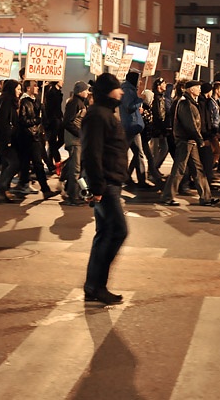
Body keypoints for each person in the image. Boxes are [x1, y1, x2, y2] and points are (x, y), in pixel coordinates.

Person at [82, 73, 129, 305]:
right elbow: (92, 153)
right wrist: (98, 186)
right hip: (106, 184)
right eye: (117, 88)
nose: (121, 92)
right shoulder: (98, 115)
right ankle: (97, 285)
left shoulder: (105, 113)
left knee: (104, 234)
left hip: (110, 182)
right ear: (108, 91)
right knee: (117, 232)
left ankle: (93, 286)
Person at [159, 80, 220, 207]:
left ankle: (206, 198)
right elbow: (190, 125)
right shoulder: (185, 103)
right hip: (185, 141)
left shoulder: (190, 102)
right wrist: (200, 140)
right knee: (179, 169)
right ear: (191, 89)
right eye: (197, 87)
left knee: (198, 170)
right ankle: (167, 196)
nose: (199, 89)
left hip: (190, 142)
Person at [15, 80, 58, 200]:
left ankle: (23, 184)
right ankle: (45, 189)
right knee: (38, 163)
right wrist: (35, 121)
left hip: (35, 136)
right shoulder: (24, 102)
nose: (37, 87)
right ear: (28, 88)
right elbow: (23, 121)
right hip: (28, 137)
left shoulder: (36, 101)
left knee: (26, 163)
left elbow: (42, 118)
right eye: (34, 86)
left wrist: (42, 109)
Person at [120, 71, 151, 189]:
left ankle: (134, 179)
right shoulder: (128, 90)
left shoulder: (129, 89)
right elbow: (129, 106)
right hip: (131, 126)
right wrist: (140, 100)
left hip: (133, 126)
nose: (140, 82)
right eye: (138, 79)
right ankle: (132, 179)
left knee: (137, 153)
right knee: (134, 153)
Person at [0, 79, 22, 202]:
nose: (20, 92)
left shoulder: (11, 101)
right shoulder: (6, 101)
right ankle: (1, 189)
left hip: (10, 138)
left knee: (6, 164)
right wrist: (8, 138)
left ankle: (4, 191)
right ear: (12, 89)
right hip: (5, 139)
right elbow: (2, 122)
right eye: (18, 89)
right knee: (15, 163)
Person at [61, 80, 90, 205]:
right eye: (86, 90)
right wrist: (80, 133)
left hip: (78, 140)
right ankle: (73, 197)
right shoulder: (74, 103)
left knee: (77, 167)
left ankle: (71, 190)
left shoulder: (80, 102)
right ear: (80, 91)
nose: (88, 92)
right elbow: (68, 122)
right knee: (76, 170)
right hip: (74, 141)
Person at [43, 80, 64, 172]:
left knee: (60, 140)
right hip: (53, 120)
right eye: (61, 80)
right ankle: (56, 162)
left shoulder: (58, 91)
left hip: (58, 118)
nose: (63, 82)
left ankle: (51, 154)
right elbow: (50, 107)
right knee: (52, 141)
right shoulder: (51, 92)